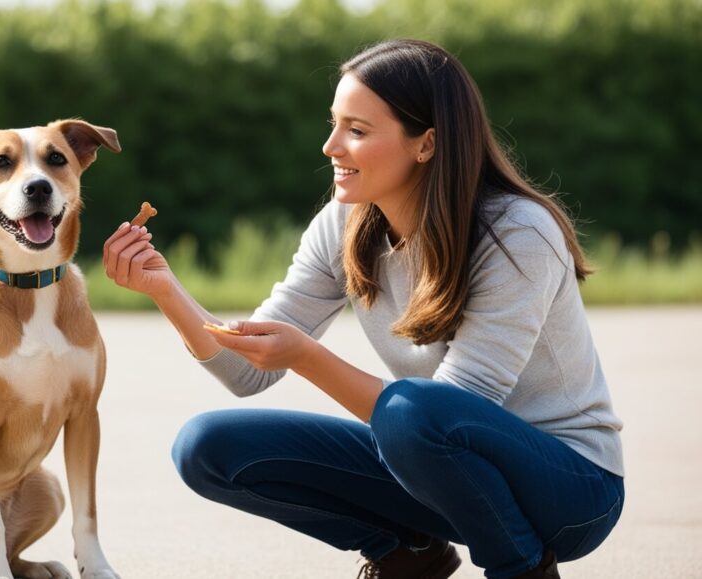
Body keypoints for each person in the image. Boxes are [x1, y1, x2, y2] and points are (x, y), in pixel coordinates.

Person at [101, 38, 623, 579]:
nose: (330, 146)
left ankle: (521, 570)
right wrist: (166, 289)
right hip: (437, 464)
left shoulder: (517, 232)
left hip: (571, 491)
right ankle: (408, 554)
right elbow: (243, 373)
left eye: (356, 130)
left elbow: (452, 411)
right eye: (333, 124)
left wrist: (306, 358)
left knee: (411, 411)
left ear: (426, 144)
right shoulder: (345, 223)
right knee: (206, 447)